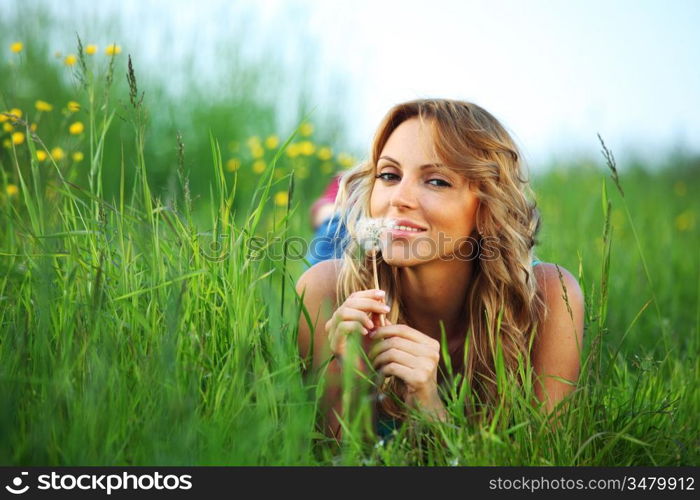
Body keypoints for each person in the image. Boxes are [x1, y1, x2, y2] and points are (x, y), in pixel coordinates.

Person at [295, 98, 584, 441]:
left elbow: (542, 465)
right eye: (388, 175)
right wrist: (350, 372)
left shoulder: (548, 297)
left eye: (436, 181)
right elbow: (333, 456)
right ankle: (332, 211)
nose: (398, 197)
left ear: (487, 204)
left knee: (354, 227)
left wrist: (429, 405)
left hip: (397, 233)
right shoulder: (324, 290)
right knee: (333, 237)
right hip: (370, 243)